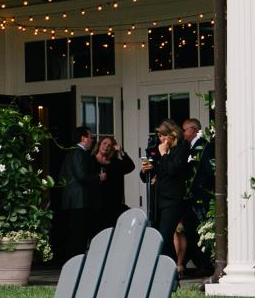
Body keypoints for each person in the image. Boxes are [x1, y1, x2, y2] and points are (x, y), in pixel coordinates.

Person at [139, 122, 190, 269]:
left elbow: (173, 170)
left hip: (172, 199)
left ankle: (171, 270)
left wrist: (164, 154)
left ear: (173, 134)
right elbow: (146, 177)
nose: (161, 139)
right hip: (157, 200)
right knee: (160, 238)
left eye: (163, 135)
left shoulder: (181, 148)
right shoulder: (158, 149)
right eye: (159, 136)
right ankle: (169, 272)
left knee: (165, 236)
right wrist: (145, 170)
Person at [54, 128, 98, 264]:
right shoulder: (79, 153)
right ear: (83, 138)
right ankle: (75, 264)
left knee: (75, 234)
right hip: (80, 201)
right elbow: (82, 176)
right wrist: (98, 177)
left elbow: (62, 177)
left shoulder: (71, 153)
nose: (92, 140)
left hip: (73, 201)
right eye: (90, 137)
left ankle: (73, 263)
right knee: (78, 235)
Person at [180, 118, 215, 277]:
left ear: (193, 130)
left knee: (201, 230)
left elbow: (208, 170)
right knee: (192, 231)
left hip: (200, 195)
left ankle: (206, 264)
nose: (183, 133)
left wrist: (203, 188)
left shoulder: (204, 146)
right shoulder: (189, 147)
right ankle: (198, 262)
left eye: (184, 129)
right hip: (191, 197)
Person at [90, 135, 135, 239]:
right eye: (104, 143)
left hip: (114, 205)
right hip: (96, 206)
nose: (106, 146)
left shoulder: (115, 163)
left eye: (109, 145)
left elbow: (130, 166)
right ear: (99, 145)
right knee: (98, 236)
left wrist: (121, 152)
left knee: (113, 236)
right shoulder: (91, 161)